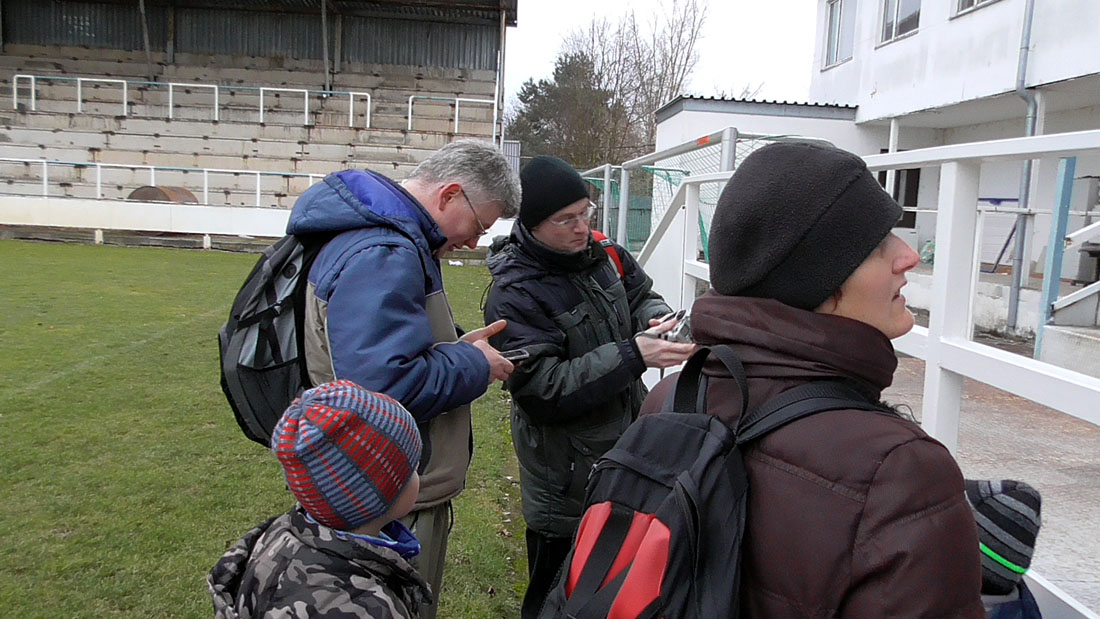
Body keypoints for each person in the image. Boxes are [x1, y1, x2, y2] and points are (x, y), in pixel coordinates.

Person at [640, 141, 986, 616]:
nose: (908, 256)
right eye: (877, 244)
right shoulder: (902, 472)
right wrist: (934, 526)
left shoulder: (667, 401)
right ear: (814, 280)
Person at [284, 139, 520, 619]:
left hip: (369, 486)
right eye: (479, 226)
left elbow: (384, 355)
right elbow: (384, 390)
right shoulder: (386, 251)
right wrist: (475, 364)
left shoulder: (385, 237)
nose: (474, 243)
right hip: (388, 495)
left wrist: (456, 345)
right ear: (450, 194)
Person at [483, 155, 696, 619]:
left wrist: (656, 319)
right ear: (532, 225)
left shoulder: (604, 253)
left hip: (624, 450)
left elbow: (641, 294)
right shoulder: (514, 293)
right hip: (565, 479)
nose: (583, 227)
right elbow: (541, 391)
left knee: (616, 585)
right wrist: (634, 355)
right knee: (555, 593)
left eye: (586, 212)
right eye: (567, 219)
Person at [208, 380, 432, 618]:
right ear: (381, 493)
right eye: (412, 468)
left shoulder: (280, 536)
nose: (418, 472)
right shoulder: (364, 606)